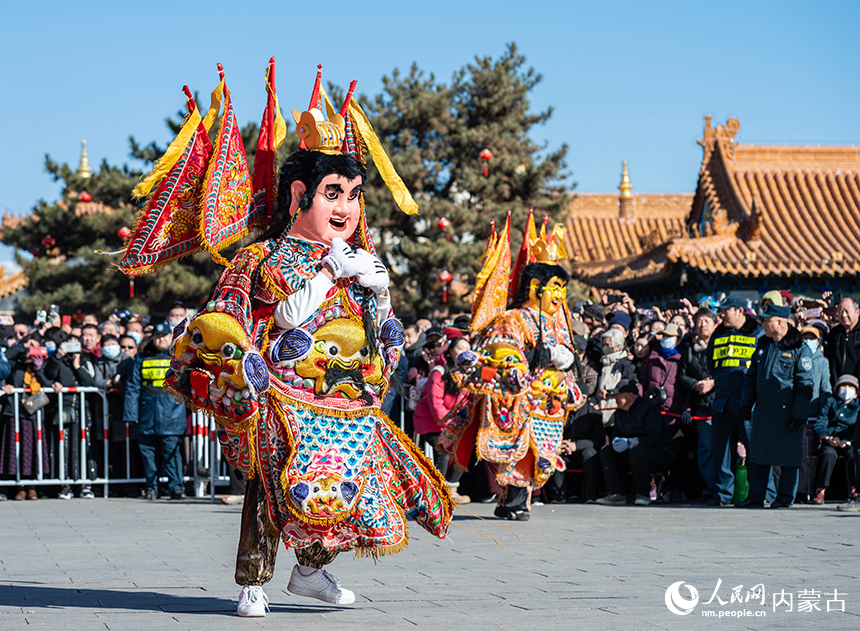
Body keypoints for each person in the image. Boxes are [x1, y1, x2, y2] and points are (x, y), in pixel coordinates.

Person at [162, 71, 452, 618]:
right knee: (272, 482)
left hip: (343, 398)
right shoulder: (264, 257)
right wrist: (325, 275)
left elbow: (382, 334)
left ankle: (311, 569)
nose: (345, 208)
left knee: (342, 487)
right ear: (300, 194)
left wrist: (378, 292)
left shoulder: (359, 261)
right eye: (333, 193)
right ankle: (253, 579)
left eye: (355, 196)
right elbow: (249, 318)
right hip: (284, 397)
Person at [441, 243, 583, 522]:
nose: (559, 295)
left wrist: (557, 356)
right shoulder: (513, 319)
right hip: (520, 400)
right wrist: (527, 360)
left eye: (562, 289)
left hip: (549, 401)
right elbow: (502, 351)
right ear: (534, 287)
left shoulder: (559, 323)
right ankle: (516, 502)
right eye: (555, 286)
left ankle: (514, 501)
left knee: (541, 453)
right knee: (519, 452)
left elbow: (569, 354)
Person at [739, 304, 813, 508]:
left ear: (779, 322)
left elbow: (805, 385)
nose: (763, 324)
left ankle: (784, 499)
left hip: (787, 413)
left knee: (788, 458)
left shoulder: (799, 348)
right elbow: (751, 378)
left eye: (766, 320)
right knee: (758, 457)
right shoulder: (763, 346)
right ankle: (755, 496)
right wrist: (747, 402)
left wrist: (799, 413)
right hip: (763, 411)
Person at [707, 295, 764, 506]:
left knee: (755, 450)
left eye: (725, 310)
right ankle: (722, 495)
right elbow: (711, 363)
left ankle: (760, 494)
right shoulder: (718, 334)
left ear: (740, 311)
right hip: (723, 400)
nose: (721, 315)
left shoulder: (758, 333)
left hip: (748, 401)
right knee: (722, 451)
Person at [123, 321, 187, 501]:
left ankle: (176, 488)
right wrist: (130, 414)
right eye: (157, 337)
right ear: (153, 338)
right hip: (147, 413)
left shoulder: (179, 358)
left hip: (172, 413)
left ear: (170, 337)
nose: (161, 340)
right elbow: (133, 387)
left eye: (164, 336)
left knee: (172, 453)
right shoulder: (141, 359)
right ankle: (152, 488)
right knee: (148, 454)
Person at [596, 380, 674, 506]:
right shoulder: (619, 413)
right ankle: (616, 493)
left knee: (637, 453)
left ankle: (643, 494)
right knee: (606, 452)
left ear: (630, 396)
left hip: (659, 452)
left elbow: (653, 438)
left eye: (618, 395)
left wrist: (630, 443)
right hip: (631, 453)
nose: (615, 398)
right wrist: (615, 441)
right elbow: (616, 432)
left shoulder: (649, 410)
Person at [413, 336, 471, 503]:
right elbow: (435, 402)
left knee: (465, 448)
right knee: (445, 448)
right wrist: (449, 425)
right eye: (460, 348)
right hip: (431, 422)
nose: (464, 352)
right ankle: (438, 491)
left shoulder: (468, 374)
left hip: (454, 424)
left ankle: (452, 489)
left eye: (467, 348)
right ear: (451, 351)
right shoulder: (440, 371)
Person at [679, 308, 718, 503]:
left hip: (722, 404)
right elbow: (682, 375)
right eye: (699, 321)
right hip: (702, 406)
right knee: (705, 449)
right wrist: (696, 384)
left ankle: (726, 489)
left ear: (715, 323)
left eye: (706, 321)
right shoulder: (690, 349)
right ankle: (710, 488)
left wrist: (714, 382)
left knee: (725, 448)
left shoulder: (722, 344)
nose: (702, 325)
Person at [811, 375, 858, 504]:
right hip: (830, 441)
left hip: (849, 442)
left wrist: (850, 441)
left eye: (850, 387)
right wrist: (827, 438)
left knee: (853, 454)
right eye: (843, 386)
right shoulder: (830, 403)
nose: (846, 390)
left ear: (856, 393)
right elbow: (820, 423)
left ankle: (855, 490)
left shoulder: (858, 406)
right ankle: (821, 490)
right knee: (827, 454)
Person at [547, 399, 604, 503]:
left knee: (590, 454)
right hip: (565, 449)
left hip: (583, 450)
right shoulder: (563, 413)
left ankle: (590, 494)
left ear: (583, 398)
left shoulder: (594, 414)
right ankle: (556, 494)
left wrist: (576, 445)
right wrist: (562, 444)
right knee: (554, 455)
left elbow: (598, 440)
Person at [591, 329, 637, 427]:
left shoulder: (626, 364)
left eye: (607, 345)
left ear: (618, 347)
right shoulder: (602, 364)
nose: (604, 348)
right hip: (600, 413)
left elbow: (630, 387)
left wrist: (609, 392)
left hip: (616, 417)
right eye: (603, 345)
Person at [825, 297, 860, 387]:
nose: (844, 315)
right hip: (836, 387)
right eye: (840, 311)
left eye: (847, 311)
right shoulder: (834, 333)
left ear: (857, 312)